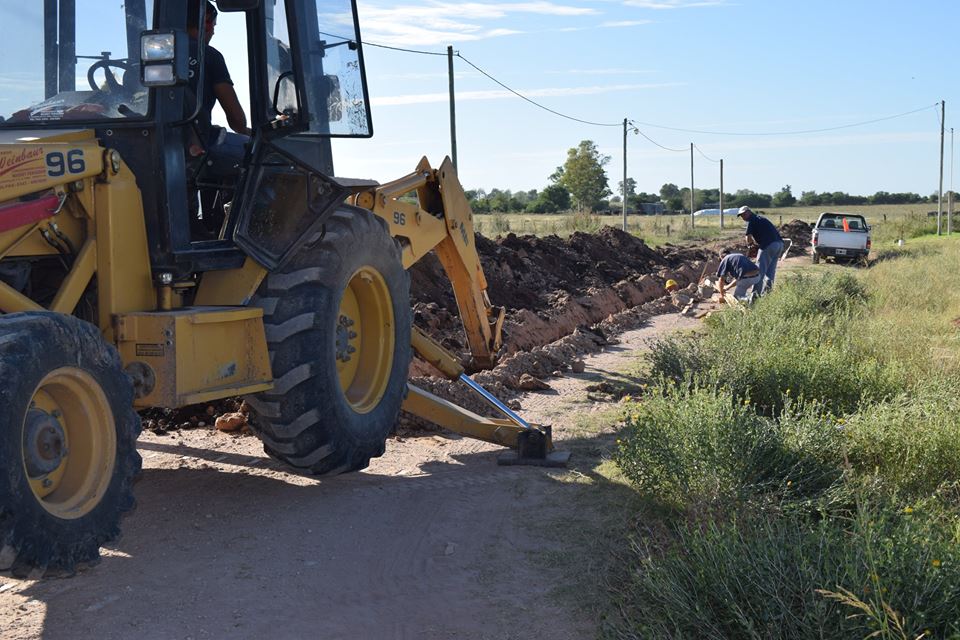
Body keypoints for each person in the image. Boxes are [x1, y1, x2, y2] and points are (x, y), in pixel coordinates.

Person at [187, 0, 251, 181]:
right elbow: (237, 120)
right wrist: (250, 133)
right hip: (197, 145)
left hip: (154, 143)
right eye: (213, 25)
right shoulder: (208, 55)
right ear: (205, 21)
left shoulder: (145, 58)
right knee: (267, 155)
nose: (213, 31)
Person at [737, 206, 784, 294]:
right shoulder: (762, 219)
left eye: (743, 215)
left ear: (748, 212)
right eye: (741, 216)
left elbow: (748, 237)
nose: (742, 217)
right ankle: (767, 295)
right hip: (779, 244)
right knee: (770, 272)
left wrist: (750, 246)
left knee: (758, 272)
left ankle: (754, 297)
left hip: (768, 245)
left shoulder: (752, 220)